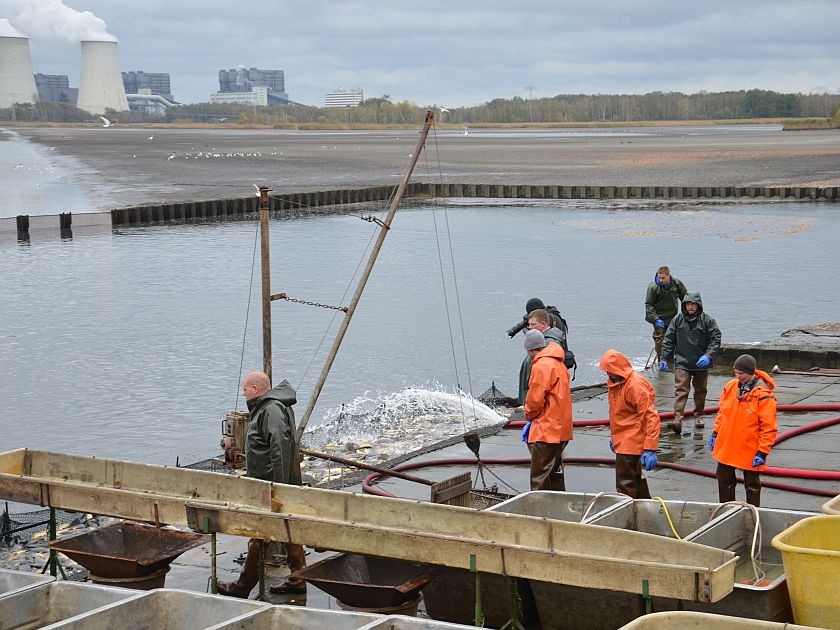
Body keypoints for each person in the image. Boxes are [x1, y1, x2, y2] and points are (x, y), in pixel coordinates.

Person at [217, 371, 308, 598]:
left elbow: (280, 447)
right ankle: (298, 579)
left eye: (245, 389)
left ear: (256, 389)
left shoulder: (271, 410)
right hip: (272, 485)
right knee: (288, 532)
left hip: (272, 488)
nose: (244, 392)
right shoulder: (270, 408)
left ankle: (242, 587)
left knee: (260, 536)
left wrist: (278, 489)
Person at [709, 354, 778, 507]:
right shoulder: (730, 387)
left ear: (752, 372)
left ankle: (753, 512)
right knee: (723, 477)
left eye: (741, 373)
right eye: (736, 372)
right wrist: (715, 432)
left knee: (752, 483)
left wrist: (763, 451)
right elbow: (722, 413)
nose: (738, 376)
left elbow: (769, 427)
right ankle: (726, 510)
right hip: (728, 443)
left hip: (750, 446)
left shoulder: (764, 396)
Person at [599, 349, 660, 499]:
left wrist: (650, 447)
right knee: (635, 480)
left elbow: (650, 417)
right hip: (624, 439)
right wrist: (615, 437)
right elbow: (619, 414)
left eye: (609, 371)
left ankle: (628, 516)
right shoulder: (617, 383)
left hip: (631, 441)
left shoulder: (635, 386)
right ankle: (646, 510)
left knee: (625, 483)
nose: (608, 375)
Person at [660, 291, 721, 433]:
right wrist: (664, 357)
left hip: (701, 362)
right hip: (682, 361)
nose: (691, 307)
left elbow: (715, 338)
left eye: (693, 304)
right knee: (681, 390)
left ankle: (698, 416)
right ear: (684, 305)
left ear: (699, 305)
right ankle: (677, 419)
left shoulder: (707, 320)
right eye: (688, 304)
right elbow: (669, 339)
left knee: (700, 391)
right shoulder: (678, 320)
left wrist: (708, 355)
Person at [521, 329, 573, 491]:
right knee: (555, 473)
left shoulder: (541, 365)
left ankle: (540, 513)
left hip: (546, 430)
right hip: (562, 430)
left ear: (530, 349)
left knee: (539, 477)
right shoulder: (559, 363)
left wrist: (528, 416)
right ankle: (560, 511)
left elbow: (535, 399)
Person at [518, 308, 569, 404]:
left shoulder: (550, 343)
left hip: (546, 408)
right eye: (529, 325)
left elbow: (541, 385)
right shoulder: (546, 341)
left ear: (543, 324)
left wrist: (529, 407)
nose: (530, 328)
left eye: (533, 324)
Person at [645, 266, 687, 367]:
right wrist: (655, 319)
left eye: (663, 278)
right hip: (659, 318)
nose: (661, 280)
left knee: (674, 339)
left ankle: (672, 360)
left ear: (668, 275)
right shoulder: (653, 287)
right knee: (660, 340)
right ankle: (661, 361)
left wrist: (686, 314)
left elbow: (685, 298)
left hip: (673, 317)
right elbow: (649, 304)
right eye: (659, 278)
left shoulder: (677, 284)